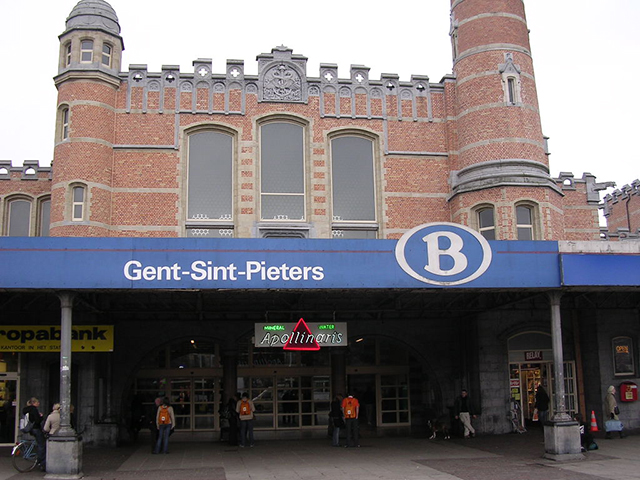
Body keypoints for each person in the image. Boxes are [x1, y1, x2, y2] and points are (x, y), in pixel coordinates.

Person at [23, 397, 46, 471]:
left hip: (30, 429)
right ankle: (41, 462)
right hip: (36, 428)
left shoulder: (26, 410)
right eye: (37, 402)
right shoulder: (34, 409)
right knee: (41, 445)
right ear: (33, 403)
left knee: (39, 442)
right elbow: (37, 420)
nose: (38, 403)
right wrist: (41, 417)